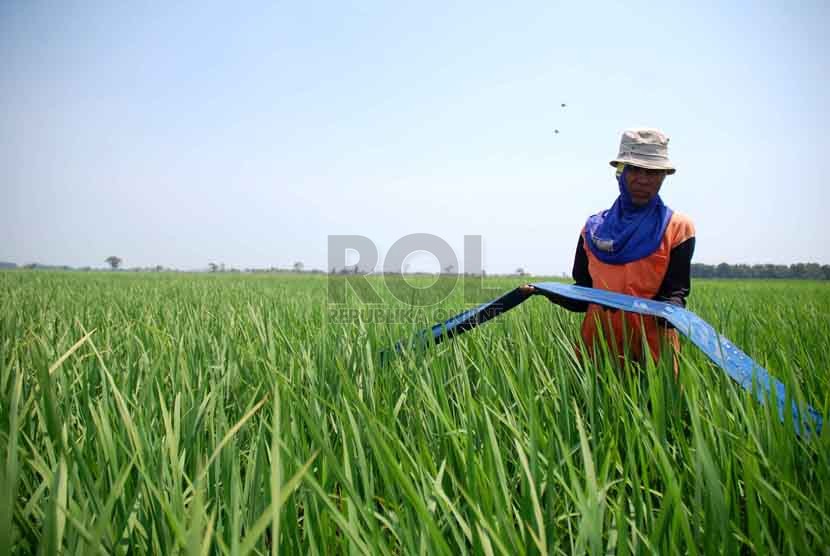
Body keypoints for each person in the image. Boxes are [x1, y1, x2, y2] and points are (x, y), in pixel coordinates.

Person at [522, 128, 695, 368]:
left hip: (654, 357)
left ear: (664, 176)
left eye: (653, 172)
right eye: (634, 169)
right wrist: (545, 291)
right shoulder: (592, 229)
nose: (643, 179)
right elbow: (583, 297)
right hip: (597, 352)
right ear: (620, 173)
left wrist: (673, 313)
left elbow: (675, 293)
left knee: (652, 407)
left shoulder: (677, 228)